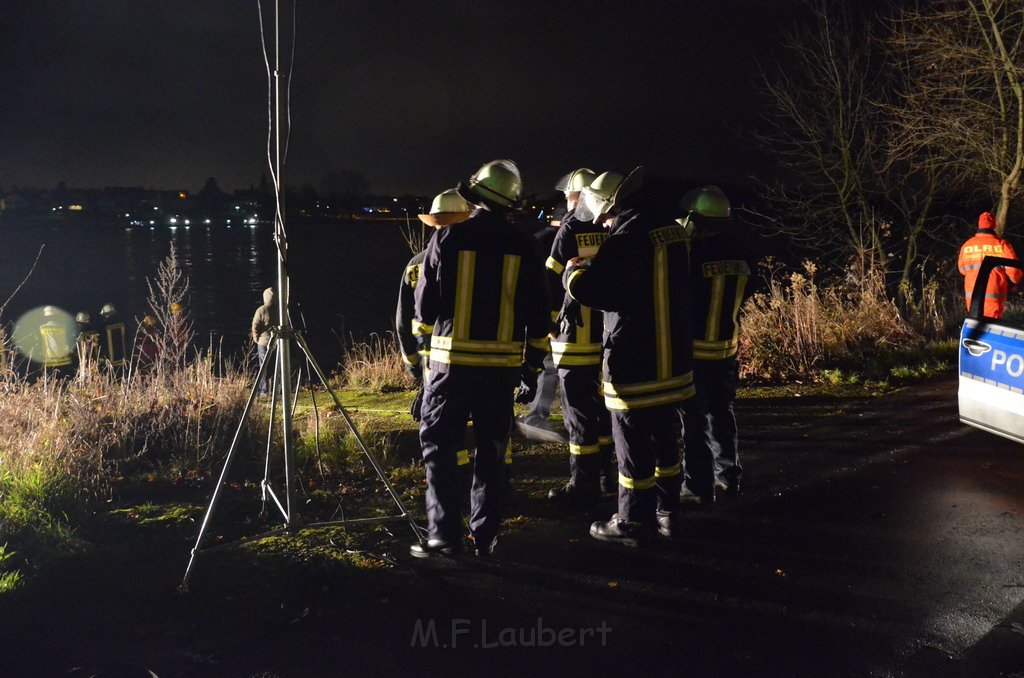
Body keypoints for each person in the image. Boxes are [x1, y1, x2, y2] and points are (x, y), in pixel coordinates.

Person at [411, 159, 550, 557]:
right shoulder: (527, 245)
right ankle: (485, 535)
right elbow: (539, 317)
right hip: (500, 371)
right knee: (492, 451)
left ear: (475, 197)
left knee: (440, 446)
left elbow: (424, 309)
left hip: (449, 368)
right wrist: (532, 367)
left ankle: (443, 535)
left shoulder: (448, 238)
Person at [564, 168, 695, 545]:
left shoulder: (626, 238)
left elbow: (597, 290)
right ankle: (670, 513)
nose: (603, 222)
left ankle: (632, 520)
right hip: (675, 359)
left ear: (610, 204)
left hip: (635, 361)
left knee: (632, 443)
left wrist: (572, 276)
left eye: (603, 213)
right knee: (667, 438)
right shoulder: (670, 230)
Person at [678, 186, 756, 502]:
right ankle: (729, 475)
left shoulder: (692, 254)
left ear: (697, 218)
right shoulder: (741, 253)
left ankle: (697, 485)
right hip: (727, 348)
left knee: (693, 420)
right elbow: (748, 293)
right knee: (723, 413)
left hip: (695, 350)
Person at [543, 167, 616, 504]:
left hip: (575, 337)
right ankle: (606, 477)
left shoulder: (571, 226)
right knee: (604, 410)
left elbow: (551, 279)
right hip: (609, 334)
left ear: (578, 197)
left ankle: (582, 484)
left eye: (569, 197)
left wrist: (549, 325)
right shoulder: (614, 224)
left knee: (577, 411)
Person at [396, 188, 477, 482]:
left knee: (444, 427)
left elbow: (404, 321)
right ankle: (495, 485)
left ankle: (454, 484)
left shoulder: (416, 264)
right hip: (480, 356)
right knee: (487, 424)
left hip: (436, 364)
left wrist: (414, 364)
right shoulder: (478, 259)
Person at [515, 205, 568, 444]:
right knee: (552, 368)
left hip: (534, 313)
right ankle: (539, 415)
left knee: (540, 365)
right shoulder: (565, 242)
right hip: (557, 316)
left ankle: (531, 413)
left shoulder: (535, 241)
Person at [958, 211, 1022, 319]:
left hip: (973, 296)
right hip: (994, 296)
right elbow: (1014, 272)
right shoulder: (1001, 244)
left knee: (975, 326)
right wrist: (1016, 282)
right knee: (990, 328)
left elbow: (962, 270)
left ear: (979, 224)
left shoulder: (967, 245)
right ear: (994, 225)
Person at [251, 287, 276, 395]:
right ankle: (277, 388)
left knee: (263, 366)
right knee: (276, 365)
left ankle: (264, 390)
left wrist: (256, 338)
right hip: (277, 342)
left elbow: (255, 325)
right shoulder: (280, 309)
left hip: (263, 342)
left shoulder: (261, 310)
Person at [39, 305, 73, 376]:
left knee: (52, 381)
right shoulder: (63, 327)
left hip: (50, 359)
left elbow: (42, 343)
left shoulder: (42, 328)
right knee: (65, 380)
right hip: (64, 358)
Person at [100, 303, 127, 373]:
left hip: (109, 358)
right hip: (123, 355)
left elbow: (102, 342)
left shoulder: (103, 326)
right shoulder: (122, 322)